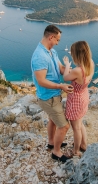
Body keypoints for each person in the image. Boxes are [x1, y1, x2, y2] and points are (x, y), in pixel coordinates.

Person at [31, 25, 74, 162]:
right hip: (48, 97)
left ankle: (51, 142)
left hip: (54, 95)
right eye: (57, 40)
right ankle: (56, 152)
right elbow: (41, 80)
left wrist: (74, 73)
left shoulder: (51, 52)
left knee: (52, 120)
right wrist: (60, 85)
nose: (58, 43)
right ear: (51, 37)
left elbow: (60, 68)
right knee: (64, 125)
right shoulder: (40, 56)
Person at [63, 41, 94, 157]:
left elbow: (66, 77)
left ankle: (76, 151)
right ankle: (84, 145)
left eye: (72, 53)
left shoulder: (77, 71)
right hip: (84, 95)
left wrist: (66, 65)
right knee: (80, 124)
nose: (71, 55)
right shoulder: (90, 63)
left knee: (76, 128)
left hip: (76, 99)